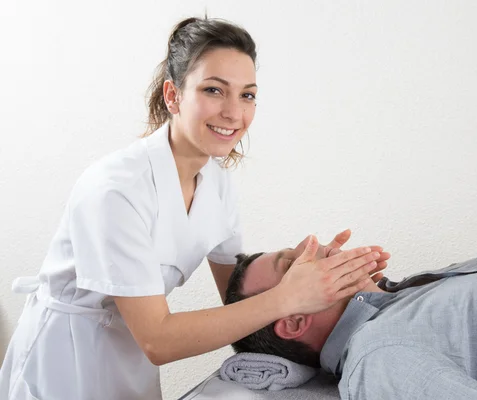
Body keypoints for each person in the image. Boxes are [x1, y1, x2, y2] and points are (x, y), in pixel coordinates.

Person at [0, 17, 388, 400]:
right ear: (172, 96)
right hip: (66, 361)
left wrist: (331, 283)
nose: (234, 113)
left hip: (130, 360)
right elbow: (157, 340)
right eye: (215, 90)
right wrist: (291, 296)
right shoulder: (115, 191)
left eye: (247, 95)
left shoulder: (216, 183)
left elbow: (239, 302)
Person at [225, 236, 477, 399]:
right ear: (293, 321)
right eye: (294, 262)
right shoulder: (380, 356)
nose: (314, 245)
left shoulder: (402, 301)